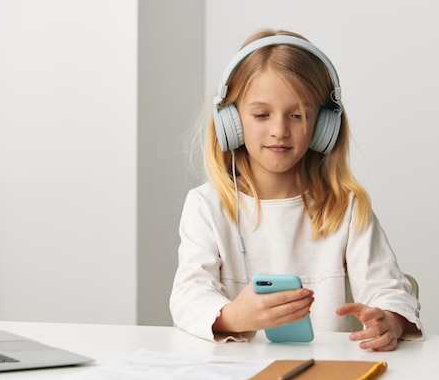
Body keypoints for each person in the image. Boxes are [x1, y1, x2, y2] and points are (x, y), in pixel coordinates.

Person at [170, 29, 423, 351]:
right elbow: (188, 295)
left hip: (324, 371)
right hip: (233, 373)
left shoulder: (346, 208)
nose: (279, 130)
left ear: (324, 126)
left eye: (298, 115)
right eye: (261, 115)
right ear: (230, 122)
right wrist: (233, 316)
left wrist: (390, 320)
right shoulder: (206, 206)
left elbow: (389, 290)